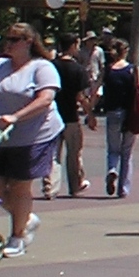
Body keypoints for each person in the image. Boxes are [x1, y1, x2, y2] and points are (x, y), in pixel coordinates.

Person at [0, 23, 64, 256]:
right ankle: (25, 218)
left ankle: (18, 236)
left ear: (28, 41)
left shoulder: (42, 67)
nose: (8, 44)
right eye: (6, 39)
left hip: (34, 134)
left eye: (14, 39)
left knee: (19, 185)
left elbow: (45, 99)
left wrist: (16, 116)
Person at [91, 37, 139, 199]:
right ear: (125, 51)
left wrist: (91, 110)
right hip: (130, 112)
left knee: (113, 149)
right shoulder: (132, 70)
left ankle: (112, 169)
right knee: (127, 152)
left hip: (112, 111)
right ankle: (123, 189)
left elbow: (96, 89)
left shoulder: (107, 70)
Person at [50, 30, 92, 198]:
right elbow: (80, 96)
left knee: (53, 154)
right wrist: (90, 114)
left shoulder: (51, 66)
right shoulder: (78, 69)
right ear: (73, 46)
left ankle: (50, 187)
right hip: (71, 116)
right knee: (73, 153)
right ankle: (74, 186)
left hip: (52, 115)